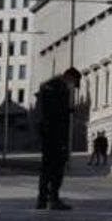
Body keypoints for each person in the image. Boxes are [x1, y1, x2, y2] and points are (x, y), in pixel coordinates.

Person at [34, 67, 80, 210]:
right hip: (56, 134)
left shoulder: (46, 87)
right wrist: (69, 110)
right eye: (74, 83)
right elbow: (58, 113)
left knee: (46, 167)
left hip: (46, 132)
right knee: (57, 167)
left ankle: (42, 199)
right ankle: (53, 198)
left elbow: (44, 110)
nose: (73, 87)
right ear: (70, 77)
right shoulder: (60, 89)